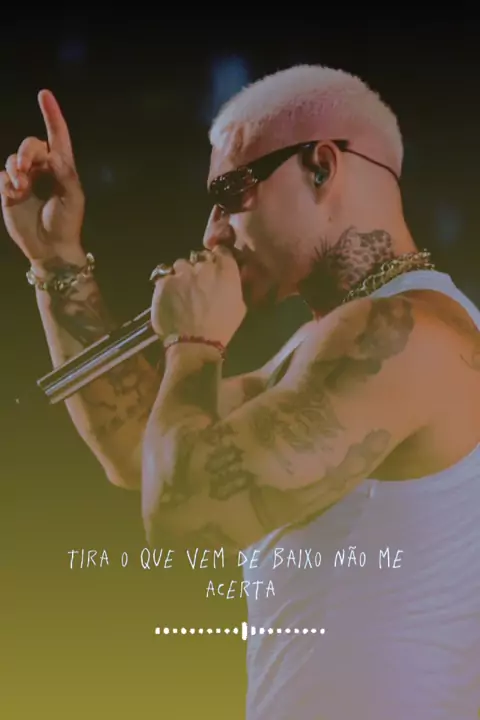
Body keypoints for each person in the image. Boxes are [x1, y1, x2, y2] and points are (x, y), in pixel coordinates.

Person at [2, 65, 479, 719]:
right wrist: (56, 260)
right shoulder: (333, 345)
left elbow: (185, 517)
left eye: (231, 193)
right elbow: (143, 449)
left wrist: (195, 344)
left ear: (320, 167)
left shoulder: (405, 334)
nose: (214, 232)